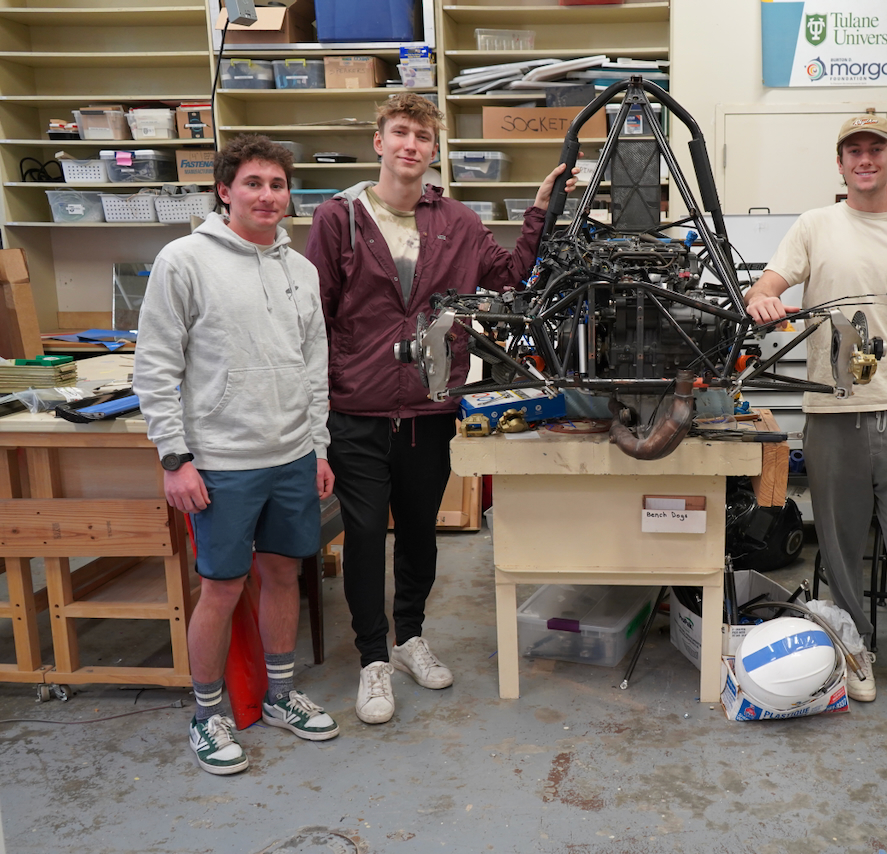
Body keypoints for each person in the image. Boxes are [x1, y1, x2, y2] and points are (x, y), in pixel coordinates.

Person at [305, 93, 576, 725]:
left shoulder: (456, 220)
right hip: (359, 409)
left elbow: (509, 277)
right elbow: (313, 318)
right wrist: (316, 417)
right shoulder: (336, 218)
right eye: (400, 132)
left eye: (423, 136)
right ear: (379, 141)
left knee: (420, 531)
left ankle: (410, 638)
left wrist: (538, 212)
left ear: (434, 149)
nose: (410, 145)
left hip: (430, 408)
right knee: (367, 534)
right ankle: (374, 659)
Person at [745, 114, 887, 736]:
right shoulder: (815, 226)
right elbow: (772, 281)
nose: (866, 159)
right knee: (837, 545)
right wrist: (763, 297)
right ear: (840, 164)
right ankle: (856, 648)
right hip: (834, 416)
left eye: (877, 149)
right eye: (854, 151)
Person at [134, 135, 338, 775]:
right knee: (221, 587)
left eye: (278, 185)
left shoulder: (299, 269)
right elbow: (156, 363)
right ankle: (207, 713)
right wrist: (175, 458)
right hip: (220, 460)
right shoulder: (184, 261)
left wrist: (318, 446)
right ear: (225, 190)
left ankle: (279, 697)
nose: (267, 196)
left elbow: (314, 369)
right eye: (254, 183)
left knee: (282, 575)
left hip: (291, 455)